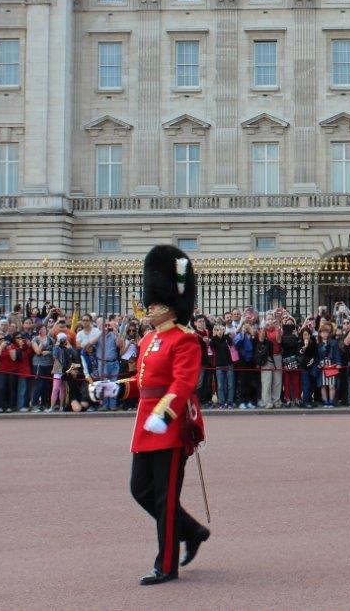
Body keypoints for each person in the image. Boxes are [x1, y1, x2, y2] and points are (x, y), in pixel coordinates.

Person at [97, 245, 209, 587]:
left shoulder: (185, 339)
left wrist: (164, 414)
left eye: (155, 302)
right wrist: (116, 388)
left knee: (164, 497)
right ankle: (192, 531)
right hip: (146, 425)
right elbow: (143, 382)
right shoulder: (148, 339)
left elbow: (183, 383)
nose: (150, 307)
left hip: (171, 425)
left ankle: (166, 564)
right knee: (140, 489)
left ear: (170, 305)